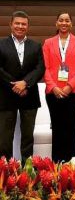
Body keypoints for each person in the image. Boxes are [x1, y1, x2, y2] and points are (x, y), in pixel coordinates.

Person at [0, 11, 45, 163]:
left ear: (28, 26)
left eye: (23, 24)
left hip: (29, 95)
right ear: (11, 25)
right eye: (17, 23)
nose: (20, 26)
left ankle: (27, 171)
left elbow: (40, 68)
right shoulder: (1, 44)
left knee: (27, 138)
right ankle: (5, 172)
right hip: (6, 97)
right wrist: (15, 85)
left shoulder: (36, 46)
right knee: (4, 139)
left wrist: (25, 83)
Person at [43, 12, 75, 162]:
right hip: (52, 93)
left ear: (71, 24)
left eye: (67, 20)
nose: (64, 23)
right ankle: (56, 165)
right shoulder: (48, 43)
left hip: (73, 93)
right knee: (57, 129)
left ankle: (71, 165)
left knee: (70, 129)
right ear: (56, 23)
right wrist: (54, 87)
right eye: (61, 20)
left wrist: (69, 87)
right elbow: (45, 68)